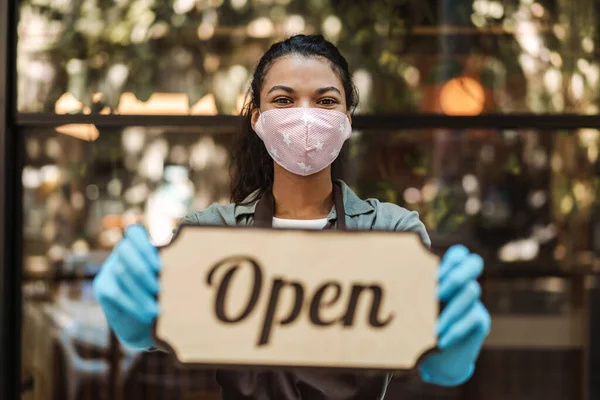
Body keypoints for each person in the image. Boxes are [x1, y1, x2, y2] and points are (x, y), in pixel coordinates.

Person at [94, 34, 490, 400]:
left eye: (326, 101)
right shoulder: (212, 231)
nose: (305, 116)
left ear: (347, 119)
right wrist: (142, 318)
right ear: (257, 119)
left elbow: (419, 339)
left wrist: (446, 352)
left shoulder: (393, 231)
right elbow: (170, 324)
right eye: (283, 100)